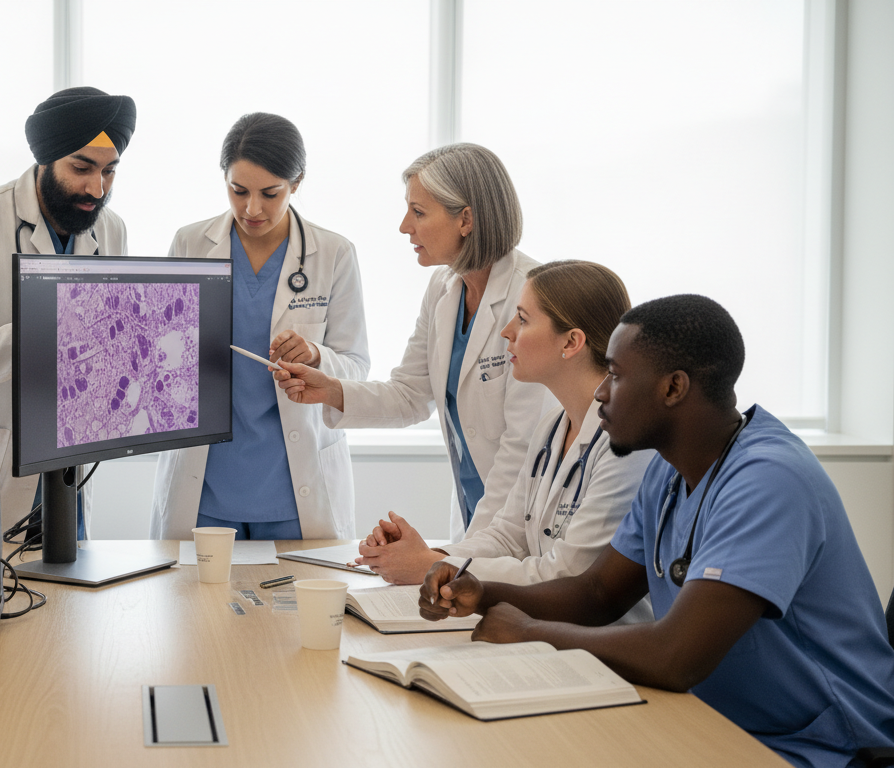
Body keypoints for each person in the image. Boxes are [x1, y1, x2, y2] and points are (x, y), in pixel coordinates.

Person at [419, 295, 894, 767]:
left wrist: (530, 633)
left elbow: (677, 656)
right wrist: (483, 593)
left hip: (826, 749)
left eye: (617, 375)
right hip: (712, 723)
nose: (601, 391)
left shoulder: (770, 481)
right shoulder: (668, 473)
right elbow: (598, 593)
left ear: (673, 388)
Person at [276, 143, 548, 542]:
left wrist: (455, 559)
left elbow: (522, 448)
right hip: (477, 516)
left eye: (418, 212)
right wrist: (331, 390)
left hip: (521, 524)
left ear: (466, 220)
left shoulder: (531, 295)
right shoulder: (444, 288)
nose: (405, 226)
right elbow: (410, 395)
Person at [356, 263, 654, 622]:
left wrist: (431, 565)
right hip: (547, 630)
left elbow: (567, 575)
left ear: (571, 342)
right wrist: (427, 555)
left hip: (600, 643)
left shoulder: (627, 444)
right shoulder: (552, 427)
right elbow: (509, 536)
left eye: (523, 319)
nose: (507, 331)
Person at [0, 86, 136, 535]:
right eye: (82, 168)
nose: (96, 189)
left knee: (66, 596)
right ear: (45, 159)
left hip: (68, 466)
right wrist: (56, 327)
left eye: (110, 172)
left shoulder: (110, 230)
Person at [150, 113, 370, 540]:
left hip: (293, 488)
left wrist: (315, 356)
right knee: (196, 604)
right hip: (206, 485)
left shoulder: (334, 254)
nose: (252, 209)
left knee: (294, 604)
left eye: (270, 193)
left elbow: (356, 365)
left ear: (297, 182)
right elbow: (160, 356)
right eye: (238, 191)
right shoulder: (190, 244)